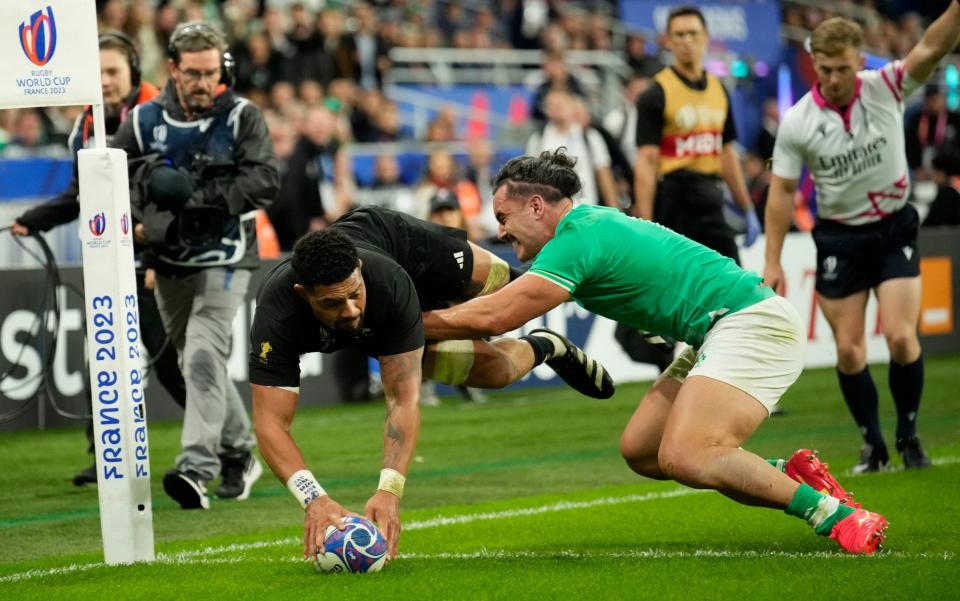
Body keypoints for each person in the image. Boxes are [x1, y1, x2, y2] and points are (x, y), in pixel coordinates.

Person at [422, 149, 889, 556]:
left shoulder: (575, 240)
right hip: (718, 329)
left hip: (750, 323)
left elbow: (495, 317)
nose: (500, 231)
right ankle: (793, 478)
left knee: (687, 455)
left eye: (503, 217)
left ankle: (835, 515)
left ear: (538, 206)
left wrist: (408, 323)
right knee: (643, 451)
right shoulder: (586, 227)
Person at [249, 206, 615, 561]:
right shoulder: (276, 317)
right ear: (302, 293)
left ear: (359, 271)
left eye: (353, 294)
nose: (349, 310)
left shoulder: (385, 282)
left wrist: (390, 490)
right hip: (385, 325)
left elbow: (402, 401)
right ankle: (547, 346)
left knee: (511, 290)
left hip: (407, 251)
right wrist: (314, 499)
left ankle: (624, 305)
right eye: (332, 303)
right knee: (497, 373)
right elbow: (270, 424)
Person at [763, 8, 960, 472]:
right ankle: (873, 445)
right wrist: (772, 260)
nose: (832, 78)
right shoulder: (798, 122)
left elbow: (932, 47)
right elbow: (782, 192)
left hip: (893, 228)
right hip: (839, 238)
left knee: (899, 337)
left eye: (842, 68)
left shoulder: (887, 86)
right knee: (850, 349)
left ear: (859, 61)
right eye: (824, 69)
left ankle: (909, 435)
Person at [112, 21, 280, 509]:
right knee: (193, 360)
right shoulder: (143, 122)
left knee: (204, 355)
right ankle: (241, 452)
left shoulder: (242, 116)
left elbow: (266, 181)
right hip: (166, 260)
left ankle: (195, 468)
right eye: (193, 73)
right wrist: (143, 224)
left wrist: (197, 199)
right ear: (173, 70)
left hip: (227, 255)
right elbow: (106, 177)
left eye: (212, 72)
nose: (204, 83)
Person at [7, 33, 183, 487]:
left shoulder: (162, 116)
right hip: (107, 261)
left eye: (112, 72)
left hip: (155, 262)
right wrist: (34, 219)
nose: (104, 82)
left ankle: (224, 446)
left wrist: (157, 255)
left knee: (169, 364)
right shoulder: (84, 126)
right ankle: (105, 455)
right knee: (101, 358)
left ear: (133, 73)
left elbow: (173, 195)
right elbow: (81, 195)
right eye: (97, 73)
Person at [633, 5, 760, 262]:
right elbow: (646, 163)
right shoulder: (656, 93)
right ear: (668, 41)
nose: (686, 41)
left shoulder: (718, 89)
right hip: (674, 199)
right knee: (677, 287)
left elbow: (727, 154)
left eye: (693, 33)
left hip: (711, 197)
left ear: (706, 37)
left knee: (732, 283)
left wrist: (746, 207)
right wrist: (645, 227)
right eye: (679, 35)